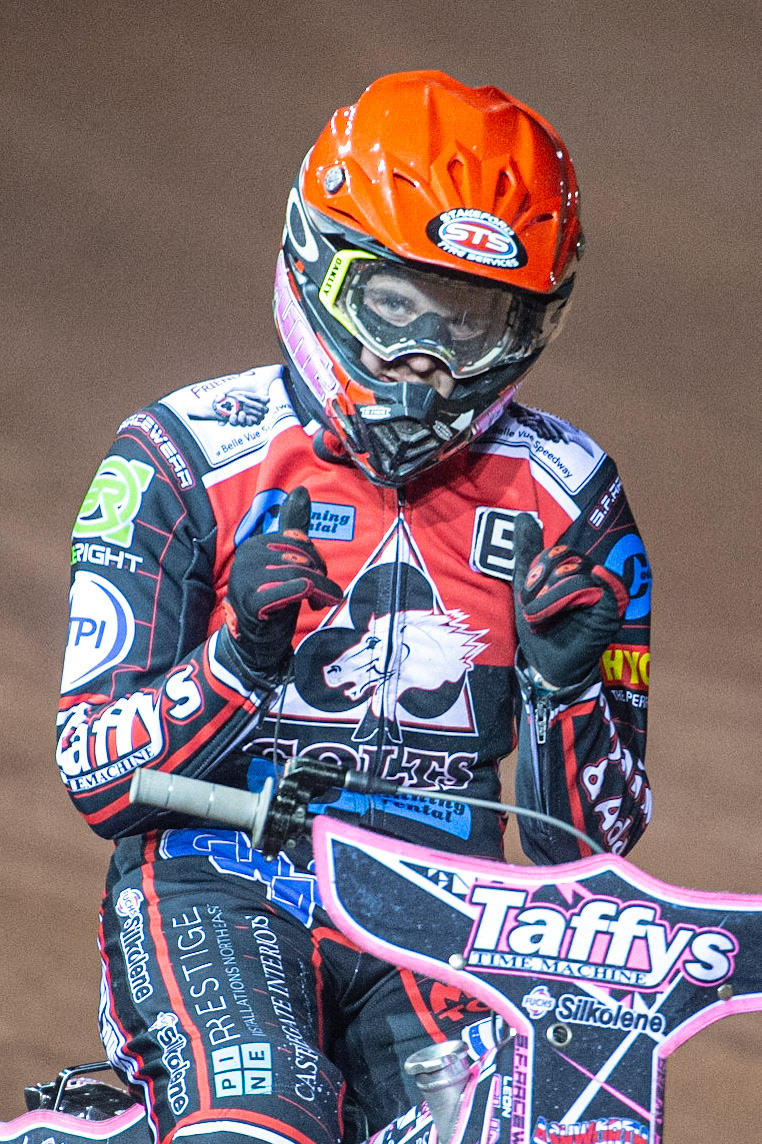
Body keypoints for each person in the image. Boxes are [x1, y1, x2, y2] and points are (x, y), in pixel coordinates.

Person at [57, 71, 652, 1144]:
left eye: (470, 324)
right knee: (263, 1120)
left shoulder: (573, 494)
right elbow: (96, 773)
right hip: (219, 881)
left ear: (528, 326)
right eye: (394, 308)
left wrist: (569, 687)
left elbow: (591, 852)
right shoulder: (180, 457)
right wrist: (237, 659)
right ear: (318, 263)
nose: (425, 364)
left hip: (453, 911)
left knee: (563, 1124)